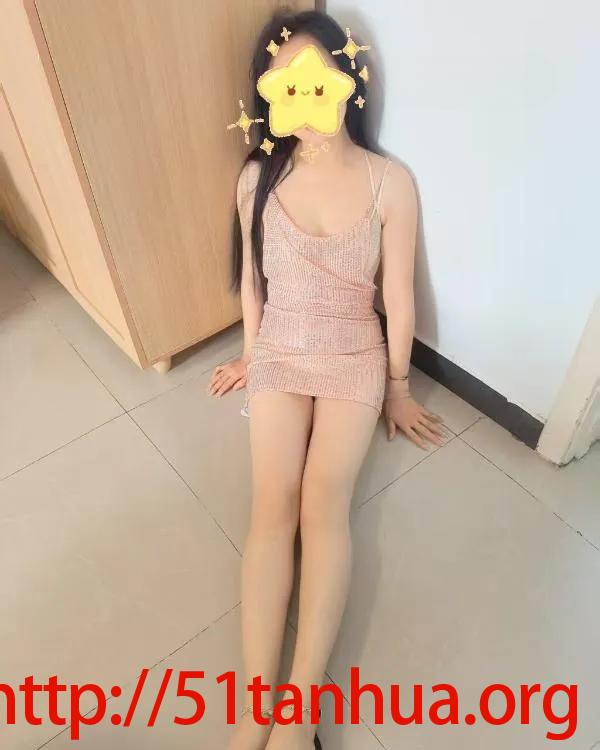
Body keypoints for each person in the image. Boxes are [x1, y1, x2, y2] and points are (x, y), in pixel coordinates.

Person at [208, 10, 445, 750]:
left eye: (317, 78)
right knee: (271, 504)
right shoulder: (257, 177)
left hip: (353, 354)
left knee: (323, 504)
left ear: (349, 81)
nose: (304, 97)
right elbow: (254, 285)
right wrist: (253, 356)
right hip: (283, 348)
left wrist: (398, 387)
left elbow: (397, 296)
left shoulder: (388, 182)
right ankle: (254, 709)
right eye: (285, 82)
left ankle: (300, 711)